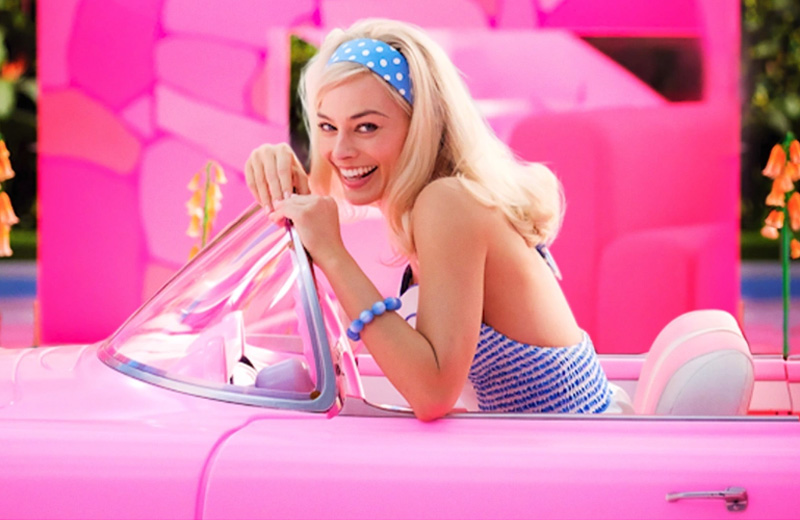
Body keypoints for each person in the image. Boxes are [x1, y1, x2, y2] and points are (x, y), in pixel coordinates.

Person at [245, 19, 615, 421]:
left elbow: (432, 393)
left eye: (366, 126)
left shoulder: (448, 202)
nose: (340, 150)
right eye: (328, 126)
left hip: (577, 449)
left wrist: (334, 254)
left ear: (421, 125)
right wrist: (278, 167)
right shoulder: (437, 201)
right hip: (547, 444)